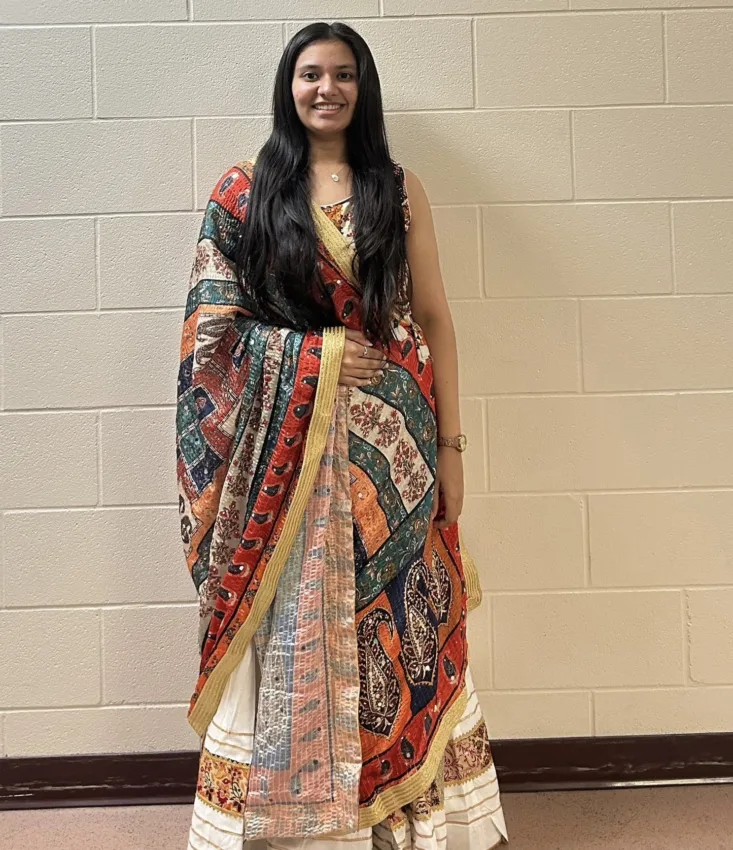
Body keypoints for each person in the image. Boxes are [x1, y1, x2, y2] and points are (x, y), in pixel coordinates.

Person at [177, 20, 509, 850]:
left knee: (399, 625)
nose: (326, 89)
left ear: (363, 88)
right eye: (310, 74)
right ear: (288, 87)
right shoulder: (243, 193)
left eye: (343, 74)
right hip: (289, 468)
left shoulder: (395, 188)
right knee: (301, 627)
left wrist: (451, 448)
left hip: (396, 460)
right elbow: (212, 338)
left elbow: (433, 318)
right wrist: (316, 357)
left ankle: (416, 825)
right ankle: (305, 830)